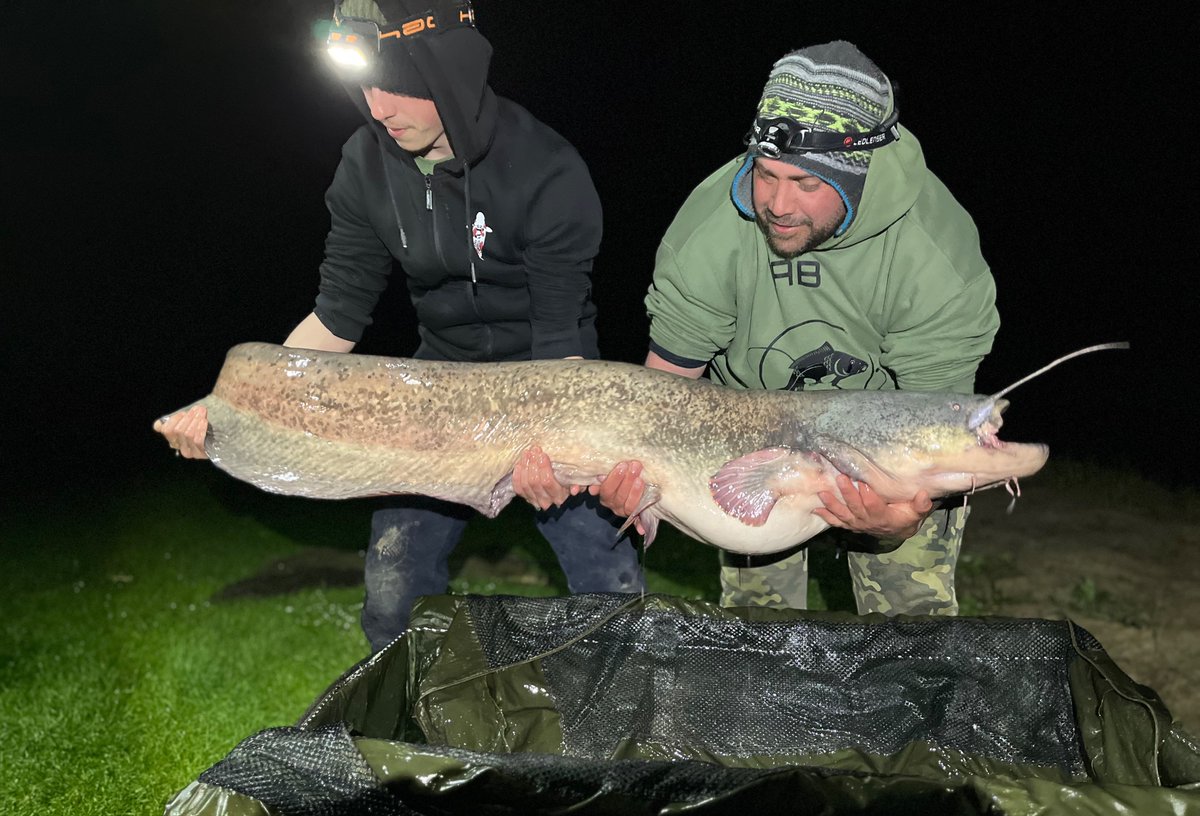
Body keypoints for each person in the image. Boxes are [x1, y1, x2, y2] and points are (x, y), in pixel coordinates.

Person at [155, 0, 643, 651]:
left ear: (452, 76)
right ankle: (405, 733)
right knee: (393, 591)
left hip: (551, 389)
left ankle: (623, 721)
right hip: (436, 393)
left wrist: (557, 453)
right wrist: (230, 410)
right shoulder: (364, 165)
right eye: (365, 85)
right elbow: (335, 318)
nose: (377, 105)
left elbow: (562, 348)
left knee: (609, 593)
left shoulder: (548, 170)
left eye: (398, 86)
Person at [516, 40, 998, 616]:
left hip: (883, 439)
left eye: (807, 184)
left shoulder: (938, 259)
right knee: (755, 627)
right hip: (747, 436)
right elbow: (660, 402)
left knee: (909, 619)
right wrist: (635, 478)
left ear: (860, 172)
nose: (777, 203)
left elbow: (936, 428)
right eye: (766, 174)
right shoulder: (711, 230)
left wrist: (899, 519)